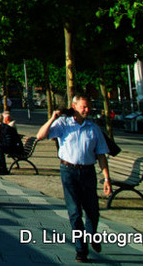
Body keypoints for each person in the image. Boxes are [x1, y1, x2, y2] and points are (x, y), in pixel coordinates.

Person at [36, 95, 112, 264]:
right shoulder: (63, 124)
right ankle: (81, 250)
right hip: (68, 171)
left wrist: (107, 178)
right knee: (75, 212)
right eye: (84, 106)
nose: (87, 110)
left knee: (92, 211)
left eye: (88, 107)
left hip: (88, 172)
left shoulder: (93, 128)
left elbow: (101, 155)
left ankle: (91, 234)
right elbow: (40, 136)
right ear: (74, 106)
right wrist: (52, 118)